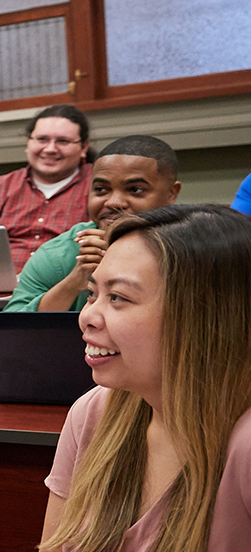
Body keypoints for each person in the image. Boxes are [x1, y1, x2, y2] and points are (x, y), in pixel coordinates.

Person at [40, 205, 251, 551]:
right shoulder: (94, 410)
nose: (87, 317)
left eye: (118, 298)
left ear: (205, 317)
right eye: (93, 294)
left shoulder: (245, 444)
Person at [6, 135, 181, 312]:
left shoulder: (194, 247)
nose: (113, 202)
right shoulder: (60, 255)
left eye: (135, 190)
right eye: (101, 190)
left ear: (171, 193)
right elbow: (8, 332)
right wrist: (75, 281)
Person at [0, 104, 95, 271]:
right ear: (28, 143)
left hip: (70, 288)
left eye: (63, 141)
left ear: (83, 147)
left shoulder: (99, 185)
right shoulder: (1, 188)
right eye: (42, 139)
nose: (50, 149)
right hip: (1, 289)